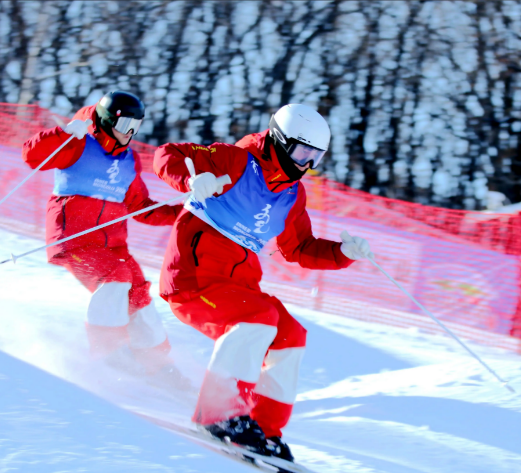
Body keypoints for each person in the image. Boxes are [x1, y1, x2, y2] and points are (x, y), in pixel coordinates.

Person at [153, 104, 373, 461]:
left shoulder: (292, 194)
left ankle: (263, 428)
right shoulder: (235, 160)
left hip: (238, 287)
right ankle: (219, 414)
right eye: (302, 153)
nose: (306, 164)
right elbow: (167, 154)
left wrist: (343, 252)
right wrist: (190, 179)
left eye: (315, 157)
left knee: (290, 335)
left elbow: (299, 247)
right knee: (257, 317)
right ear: (280, 141)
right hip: (194, 277)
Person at [22, 91, 186, 385]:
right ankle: (109, 350)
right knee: (116, 276)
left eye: (136, 127)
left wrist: (182, 212)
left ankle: (156, 362)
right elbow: (32, 156)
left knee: (137, 289)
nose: (130, 133)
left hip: (112, 245)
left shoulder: (128, 160)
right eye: (125, 126)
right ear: (108, 121)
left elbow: (139, 207)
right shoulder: (78, 144)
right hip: (74, 238)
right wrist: (63, 133)